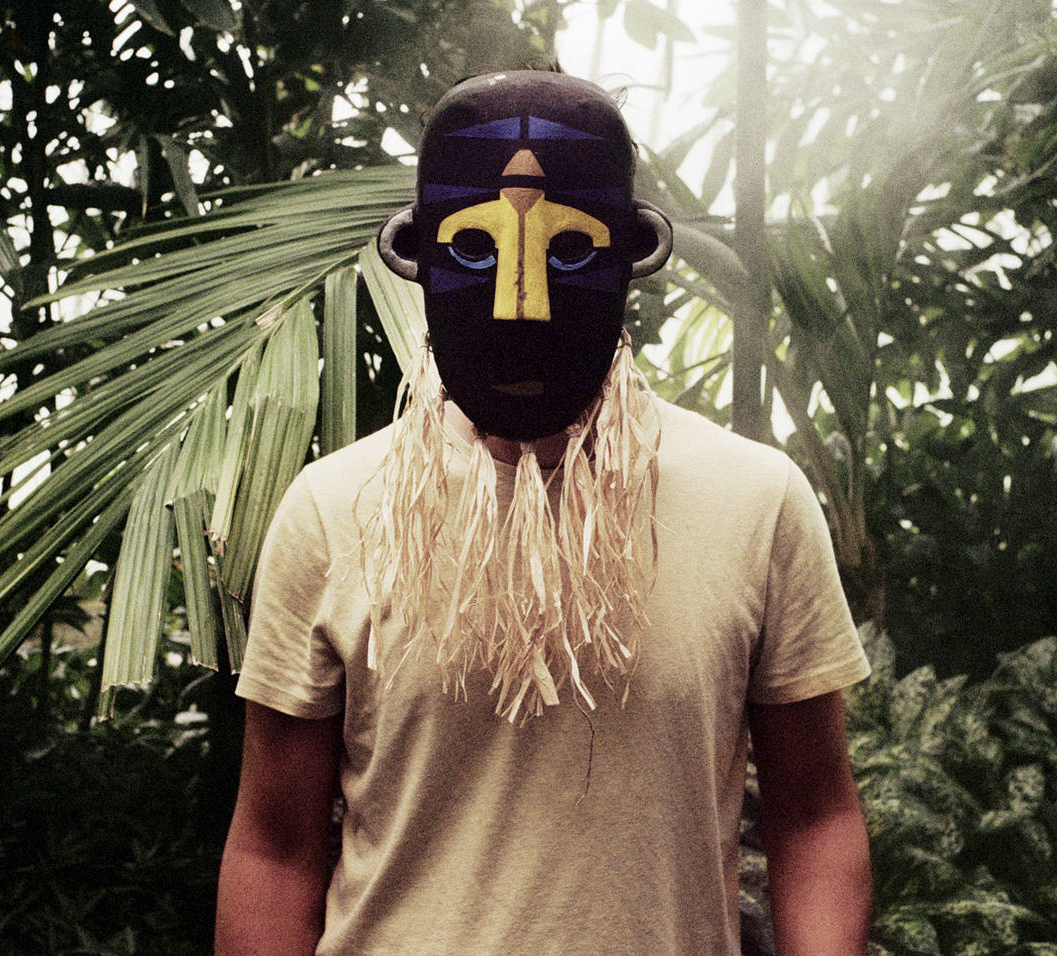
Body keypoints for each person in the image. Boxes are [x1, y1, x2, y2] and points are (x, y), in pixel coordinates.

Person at [216, 69, 872, 956]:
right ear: (418, 254)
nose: (518, 303)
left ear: (630, 255)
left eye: (568, 249)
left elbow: (815, 817)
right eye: (474, 248)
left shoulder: (757, 502)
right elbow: (273, 846)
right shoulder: (334, 509)